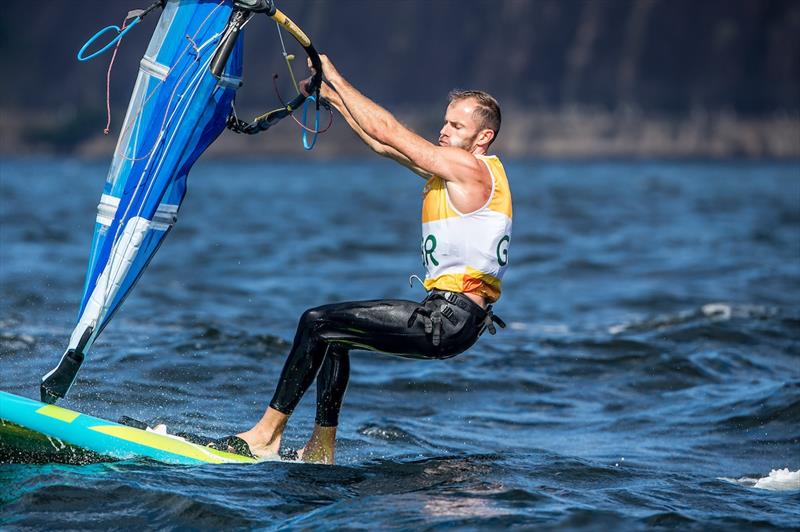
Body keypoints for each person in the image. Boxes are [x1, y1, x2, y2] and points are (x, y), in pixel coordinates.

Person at [233, 55, 512, 464]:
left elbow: (391, 130)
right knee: (334, 337)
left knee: (316, 321)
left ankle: (264, 436)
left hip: (450, 318)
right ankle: (320, 449)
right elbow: (383, 144)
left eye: (456, 126)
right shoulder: (455, 172)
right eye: (445, 122)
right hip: (451, 318)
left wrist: (337, 79)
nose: (443, 130)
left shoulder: (470, 168)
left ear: (483, 137)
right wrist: (332, 99)